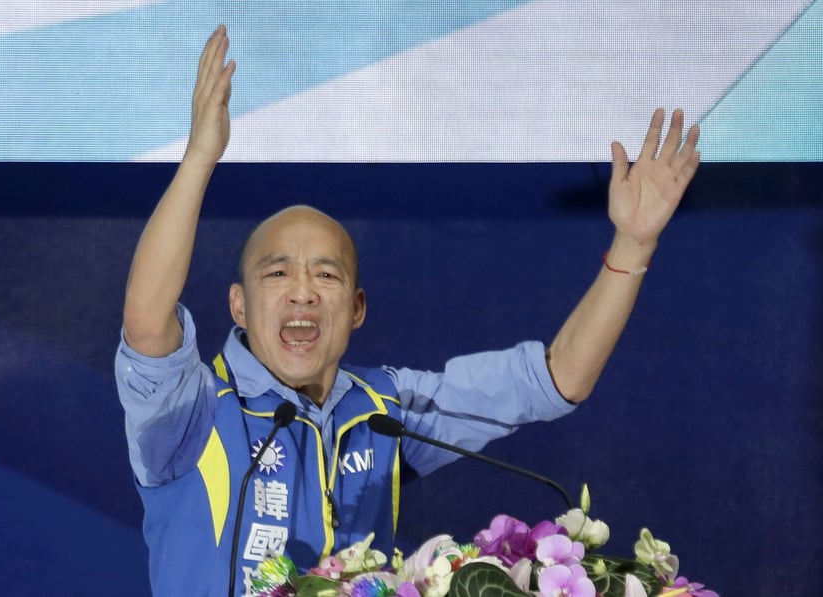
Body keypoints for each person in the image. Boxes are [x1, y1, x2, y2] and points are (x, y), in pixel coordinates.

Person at [114, 23, 701, 597]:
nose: (303, 292)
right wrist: (199, 159)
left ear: (357, 308)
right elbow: (145, 323)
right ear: (238, 306)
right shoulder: (190, 411)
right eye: (278, 273)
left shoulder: (384, 410)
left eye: (327, 274)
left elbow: (557, 377)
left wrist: (634, 244)